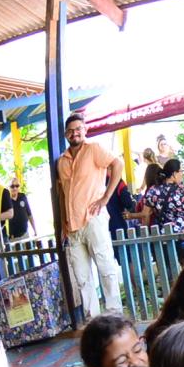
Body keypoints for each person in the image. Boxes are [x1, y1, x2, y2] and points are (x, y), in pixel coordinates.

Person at [55, 114, 125, 318]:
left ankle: (115, 315)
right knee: (82, 277)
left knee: (105, 267)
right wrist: (62, 225)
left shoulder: (94, 149)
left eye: (78, 129)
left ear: (84, 129)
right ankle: (92, 319)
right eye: (70, 130)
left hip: (93, 218)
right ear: (66, 134)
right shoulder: (62, 161)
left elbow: (117, 164)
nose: (74, 133)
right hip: (73, 226)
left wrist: (105, 198)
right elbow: (62, 194)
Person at [0, 179, 34, 245]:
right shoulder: (6, 201)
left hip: (26, 235)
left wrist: (35, 230)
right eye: (12, 186)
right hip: (13, 239)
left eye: (17, 186)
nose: (15, 188)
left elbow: (29, 214)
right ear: (8, 187)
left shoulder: (23, 196)